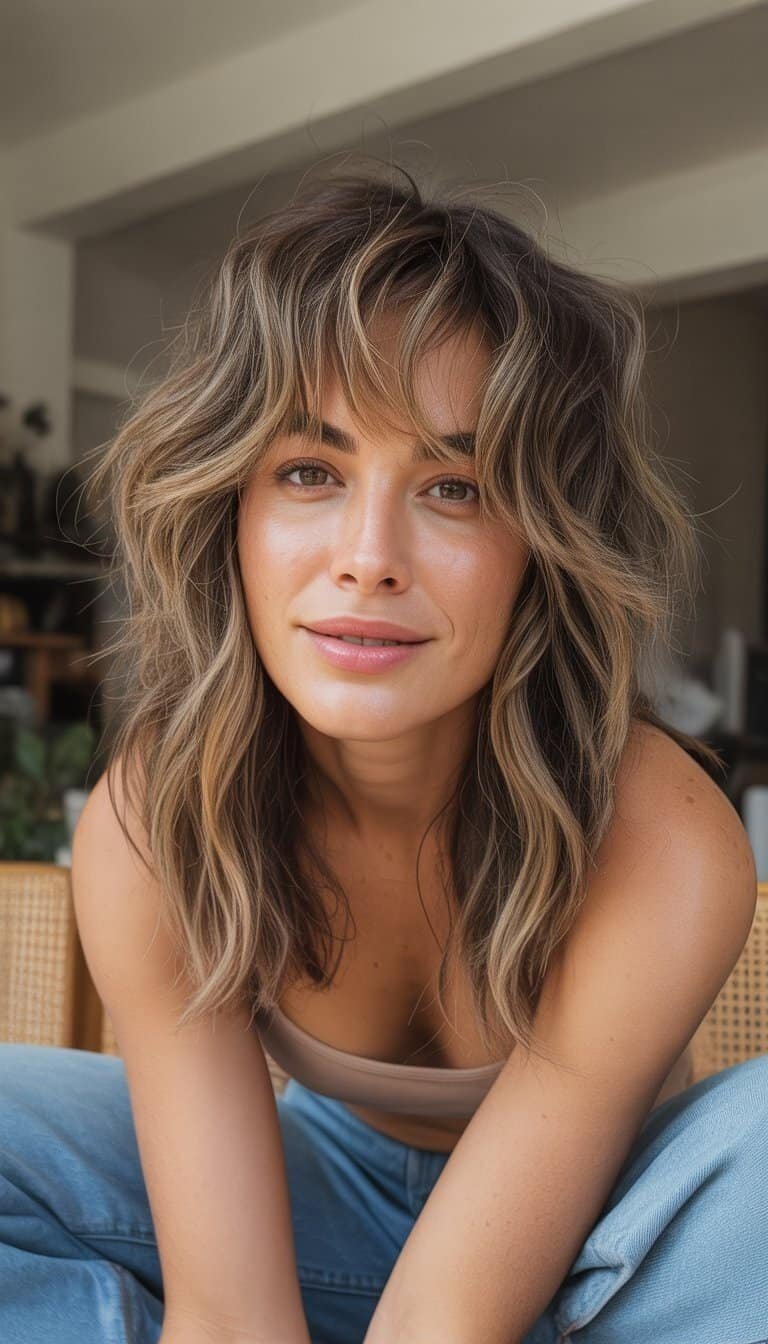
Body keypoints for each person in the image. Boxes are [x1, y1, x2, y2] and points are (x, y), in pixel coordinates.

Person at [0, 160, 765, 1344]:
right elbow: (232, 1313)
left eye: (455, 487)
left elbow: (447, 1319)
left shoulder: (655, 831)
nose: (369, 555)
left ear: (541, 547)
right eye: (310, 472)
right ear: (232, 512)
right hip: (324, 1214)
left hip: (607, 1246)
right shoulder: (159, 822)